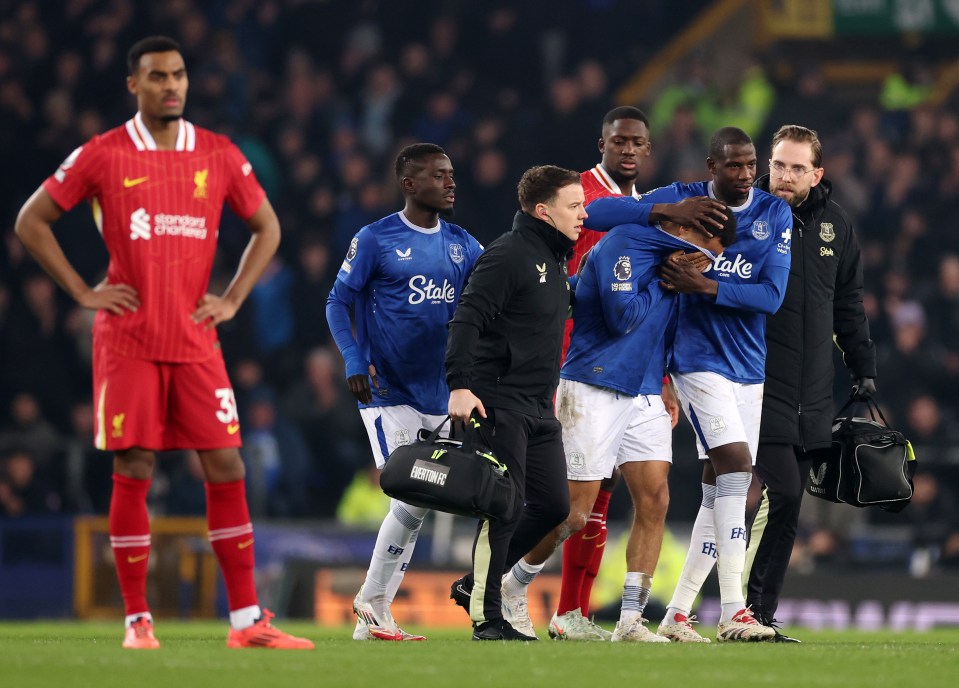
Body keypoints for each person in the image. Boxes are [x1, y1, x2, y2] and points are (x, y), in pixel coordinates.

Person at [13, 36, 313, 650]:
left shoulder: (219, 152)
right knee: (135, 465)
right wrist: (81, 290)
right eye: (156, 76)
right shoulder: (103, 154)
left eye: (177, 74)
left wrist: (231, 299)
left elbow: (268, 226)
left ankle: (246, 622)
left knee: (226, 464)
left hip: (197, 338)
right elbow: (31, 219)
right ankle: (136, 621)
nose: (170, 85)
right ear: (135, 85)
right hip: (128, 337)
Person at [586, 127, 792, 642]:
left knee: (718, 486)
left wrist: (708, 284)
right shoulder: (680, 197)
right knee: (739, 468)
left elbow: (770, 297)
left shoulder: (773, 214)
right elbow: (595, 213)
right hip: (696, 359)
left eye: (751, 166)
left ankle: (678, 612)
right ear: (711, 166)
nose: (746, 175)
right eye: (734, 166)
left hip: (750, 364)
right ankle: (734, 610)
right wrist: (662, 214)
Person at [326, 143, 483, 641]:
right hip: (386, 389)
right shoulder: (376, 239)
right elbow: (337, 302)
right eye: (439, 175)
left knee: (417, 505)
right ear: (410, 184)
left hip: (441, 393)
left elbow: (498, 282)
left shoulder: (462, 244)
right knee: (412, 497)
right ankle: (371, 603)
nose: (450, 182)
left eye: (452, 173)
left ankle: (374, 617)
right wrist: (353, 358)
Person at [744, 124, 876, 641]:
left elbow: (849, 305)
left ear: (817, 173)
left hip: (813, 391)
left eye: (797, 168)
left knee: (791, 500)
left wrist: (863, 368)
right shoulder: (745, 217)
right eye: (778, 165)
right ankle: (742, 608)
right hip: (755, 380)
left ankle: (760, 613)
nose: (785, 176)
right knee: (783, 493)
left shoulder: (836, 227)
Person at [445, 165, 585, 641]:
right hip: (498, 400)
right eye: (574, 205)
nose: (582, 214)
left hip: (538, 405)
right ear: (543, 211)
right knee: (504, 508)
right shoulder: (508, 254)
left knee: (551, 507)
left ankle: (475, 584)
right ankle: (488, 621)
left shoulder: (554, 259)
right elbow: (467, 318)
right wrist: (460, 384)